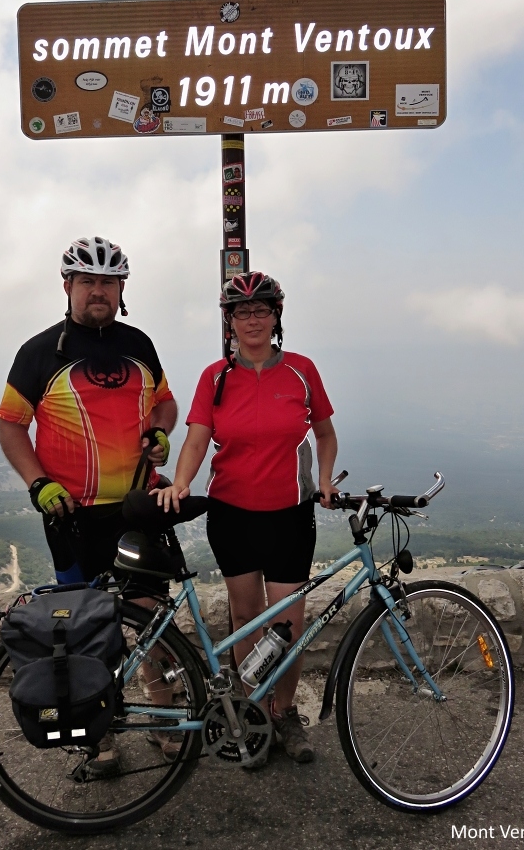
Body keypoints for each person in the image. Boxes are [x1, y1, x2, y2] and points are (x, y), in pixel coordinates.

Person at [0, 235, 178, 769]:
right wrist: (38, 484)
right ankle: (97, 736)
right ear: (68, 286)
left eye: (109, 282)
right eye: (88, 281)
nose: (98, 291)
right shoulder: (39, 352)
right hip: (70, 514)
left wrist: (161, 433)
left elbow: (164, 403)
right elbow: (10, 427)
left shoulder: (139, 344)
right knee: (80, 632)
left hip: (138, 508)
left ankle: (164, 722)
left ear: (122, 289)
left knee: (151, 618)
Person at [152, 271, 338, 766]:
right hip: (231, 514)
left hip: (290, 515)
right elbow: (195, 438)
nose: (252, 319)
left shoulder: (301, 370)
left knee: (287, 624)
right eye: (241, 312)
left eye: (261, 310)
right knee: (244, 618)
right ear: (229, 321)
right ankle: (251, 711)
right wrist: (181, 482)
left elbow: (324, 433)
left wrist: (323, 480)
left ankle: (284, 711)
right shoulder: (216, 377)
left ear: (276, 316)